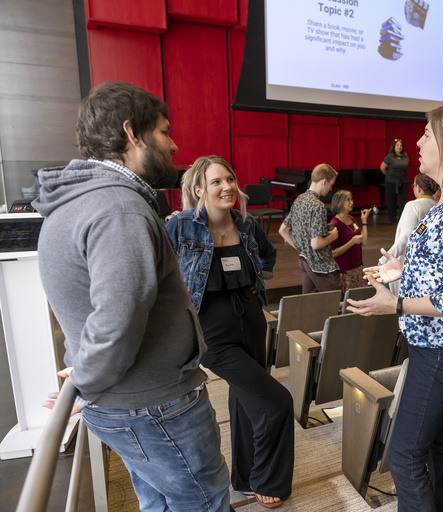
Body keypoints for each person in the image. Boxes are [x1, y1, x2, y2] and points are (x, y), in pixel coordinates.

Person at [32, 82, 231, 512]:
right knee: (204, 502)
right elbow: (115, 322)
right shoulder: (118, 209)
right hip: (153, 405)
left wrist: (84, 375)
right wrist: (86, 378)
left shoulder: (82, 201)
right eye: (164, 131)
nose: (175, 144)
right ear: (132, 135)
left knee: (159, 502)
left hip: (132, 403)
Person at [347, 102, 443, 512]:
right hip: (436, 344)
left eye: (428, 135)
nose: (417, 141)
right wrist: (403, 269)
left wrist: (396, 303)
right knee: (436, 444)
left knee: (403, 455)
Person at [164, 156, 292, 508]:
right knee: (276, 400)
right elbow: (158, 270)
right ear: (199, 189)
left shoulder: (247, 225)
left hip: (251, 318)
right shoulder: (179, 226)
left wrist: (256, 281)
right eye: (217, 181)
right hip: (211, 330)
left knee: (246, 398)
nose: (227, 187)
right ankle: (268, 478)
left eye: (230, 179)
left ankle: (246, 477)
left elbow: (268, 256)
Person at [278, 163, 341, 293]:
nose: (330, 189)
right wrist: (333, 236)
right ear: (324, 182)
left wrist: (302, 249)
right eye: (331, 185)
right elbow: (316, 243)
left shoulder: (300, 199)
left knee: (309, 306)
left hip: (304, 260)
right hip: (320, 265)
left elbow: (283, 230)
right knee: (334, 303)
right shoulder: (318, 206)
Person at [379, 172, 439, 297]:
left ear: (418, 187)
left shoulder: (413, 205)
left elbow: (406, 237)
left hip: (406, 265)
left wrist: (385, 259)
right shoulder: (438, 206)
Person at [329, 190, 371, 293]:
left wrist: (364, 222)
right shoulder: (335, 224)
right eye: (348, 200)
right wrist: (351, 242)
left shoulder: (351, 219)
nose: (352, 202)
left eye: (351, 199)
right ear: (340, 202)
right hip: (345, 271)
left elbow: (363, 242)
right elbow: (333, 253)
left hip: (358, 267)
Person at [380, 138, 410, 224]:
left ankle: (402, 218)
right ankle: (392, 219)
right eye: (397, 145)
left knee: (403, 201)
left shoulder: (405, 155)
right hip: (391, 182)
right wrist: (389, 175)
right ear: (394, 147)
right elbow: (382, 168)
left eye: (401, 145)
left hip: (403, 180)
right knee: (391, 201)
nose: (399, 147)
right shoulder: (390, 156)